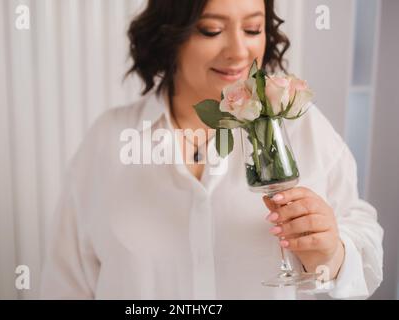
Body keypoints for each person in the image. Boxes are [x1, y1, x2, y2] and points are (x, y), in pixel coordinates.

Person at [40, 0, 383, 299]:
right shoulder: (108, 140)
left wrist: (332, 254)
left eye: (252, 29)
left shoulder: (301, 126)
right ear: (169, 34)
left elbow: (366, 258)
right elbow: (65, 283)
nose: (238, 51)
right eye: (210, 30)